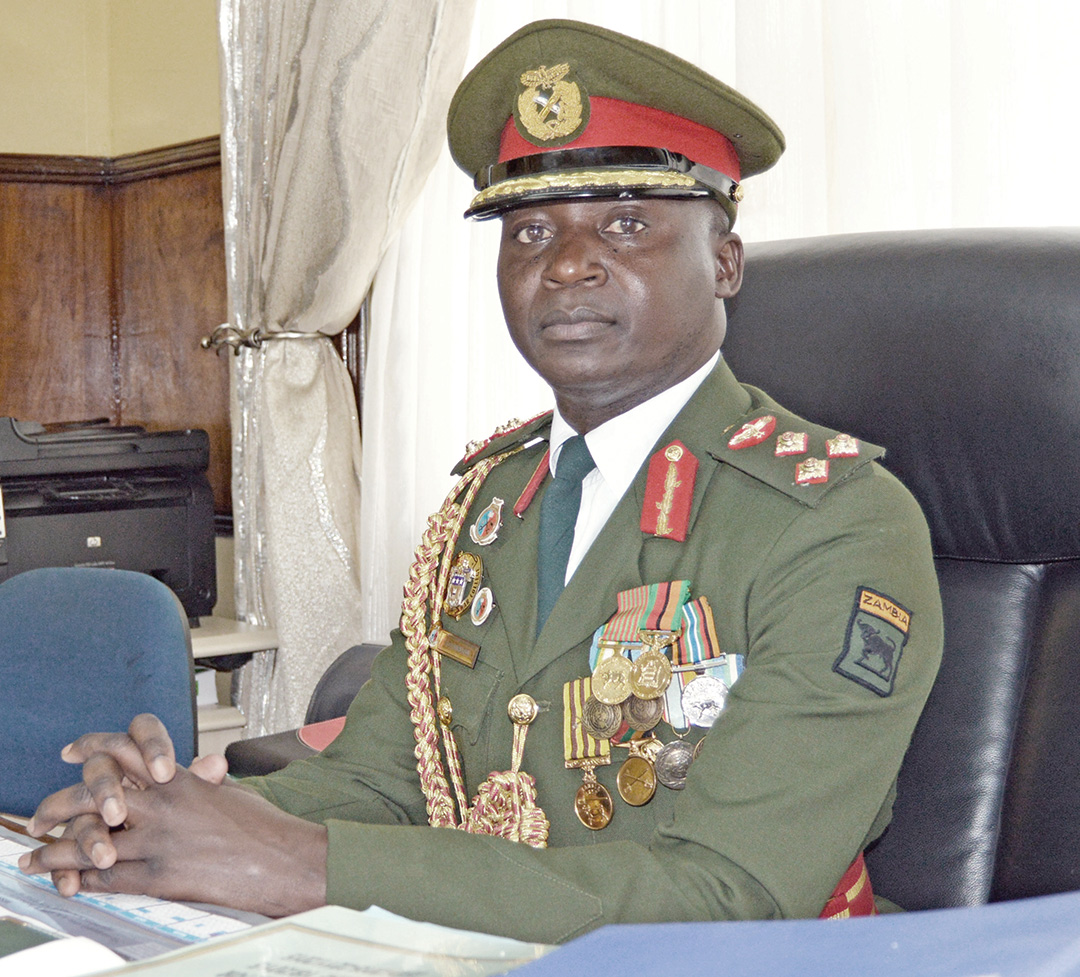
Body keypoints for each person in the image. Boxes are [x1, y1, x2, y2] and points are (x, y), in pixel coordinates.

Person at [19, 19, 943, 943]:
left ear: (725, 263)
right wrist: (157, 820)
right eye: (531, 230)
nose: (567, 263)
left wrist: (300, 862)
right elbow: (385, 774)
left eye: (626, 223)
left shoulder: (836, 523)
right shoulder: (491, 501)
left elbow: (730, 894)